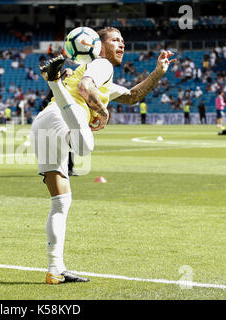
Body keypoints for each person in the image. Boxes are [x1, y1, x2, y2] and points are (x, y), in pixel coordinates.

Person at [31, 27, 175, 285]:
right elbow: (86, 88)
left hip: (44, 123)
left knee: (61, 203)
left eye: (123, 41)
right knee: (86, 146)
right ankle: (53, 84)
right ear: (97, 45)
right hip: (65, 116)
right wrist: (103, 113)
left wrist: (157, 73)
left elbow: (132, 96)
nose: (122, 45)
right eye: (115, 40)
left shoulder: (94, 71)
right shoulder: (101, 65)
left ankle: (55, 270)